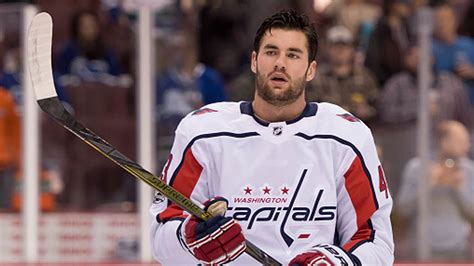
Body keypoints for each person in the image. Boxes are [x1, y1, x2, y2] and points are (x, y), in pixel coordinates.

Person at [150, 10, 394, 265]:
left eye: (293, 55)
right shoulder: (202, 133)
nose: (280, 63)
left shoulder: (346, 137)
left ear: (311, 69)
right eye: (271, 52)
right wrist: (189, 240)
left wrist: (336, 261)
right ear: (254, 61)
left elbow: (375, 240)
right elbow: (162, 237)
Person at [397, 120, 474, 261]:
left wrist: (459, 189)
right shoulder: (417, 168)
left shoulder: (469, 170)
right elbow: (402, 209)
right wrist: (427, 184)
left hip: (458, 249)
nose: (467, 146)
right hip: (421, 250)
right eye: (460, 141)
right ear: (444, 142)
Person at [308, 25, 379, 123]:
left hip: (359, 130)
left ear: (352, 49)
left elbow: (379, 107)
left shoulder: (365, 76)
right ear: (326, 49)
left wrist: (368, 111)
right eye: (335, 46)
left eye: (344, 46)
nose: (340, 50)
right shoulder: (316, 78)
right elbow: (309, 110)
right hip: (326, 131)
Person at [55, 10, 123, 86]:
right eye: (84, 26)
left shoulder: (108, 52)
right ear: (77, 28)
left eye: (92, 26)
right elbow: (59, 78)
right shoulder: (67, 51)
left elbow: (118, 79)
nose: (88, 30)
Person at [432, 2, 474, 105]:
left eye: (446, 19)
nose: (442, 23)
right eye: (438, 20)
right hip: (443, 106)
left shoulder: (469, 45)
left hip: (470, 104)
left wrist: (472, 72)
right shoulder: (429, 48)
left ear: (455, 21)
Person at [0, 86, 20, 210]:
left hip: (4, 159)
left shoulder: (5, 98)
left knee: (5, 204)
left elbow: (15, 129)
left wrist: (16, 154)